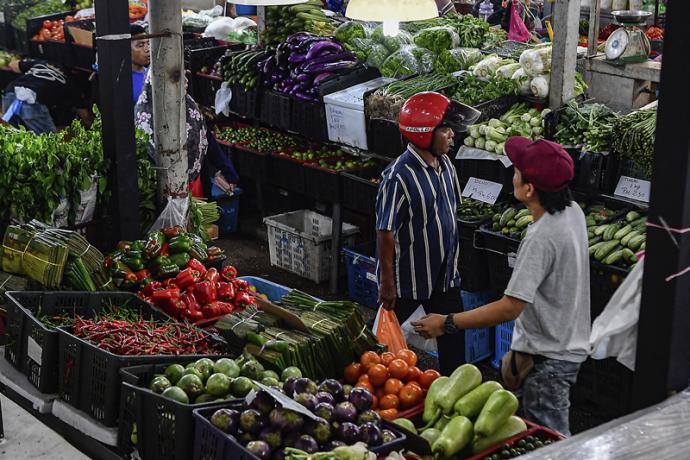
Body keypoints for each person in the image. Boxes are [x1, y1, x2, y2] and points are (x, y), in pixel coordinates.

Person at [412, 137, 591, 436]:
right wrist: (522, 351)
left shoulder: (541, 238)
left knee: (552, 441)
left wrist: (448, 322)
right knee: (518, 429)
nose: (512, 174)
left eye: (517, 170)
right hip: (555, 346)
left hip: (550, 359)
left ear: (529, 188)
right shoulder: (573, 211)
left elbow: (511, 306)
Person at [375, 91, 479, 376]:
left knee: (454, 347)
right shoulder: (398, 176)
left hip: (444, 277)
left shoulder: (446, 166)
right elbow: (385, 231)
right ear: (423, 134)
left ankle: (452, 392)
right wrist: (387, 282)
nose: (452, 136)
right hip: (408, 280)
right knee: (383, 350)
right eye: (446, 131)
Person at [134, 71, 238, 197]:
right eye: (177, 78)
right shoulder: (145, 119)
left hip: (196, 185)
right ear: (159, 85)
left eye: (184, 75)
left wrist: (228, 172)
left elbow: (205, 138)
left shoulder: (188, 106)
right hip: (166, 193)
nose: (186, 81)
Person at [2, 59, 92, 133]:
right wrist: (91, 129)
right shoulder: (71, 84)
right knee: (48, 143)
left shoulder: (41, 63)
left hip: (11, 93)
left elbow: (13, 65)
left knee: (15, 137)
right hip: (32, 100)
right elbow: (85, 115)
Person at [130, 23, 150, 106]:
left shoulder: (152, 75)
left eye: (148, 43)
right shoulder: (121, 80)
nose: (147, 49)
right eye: (141, 45)